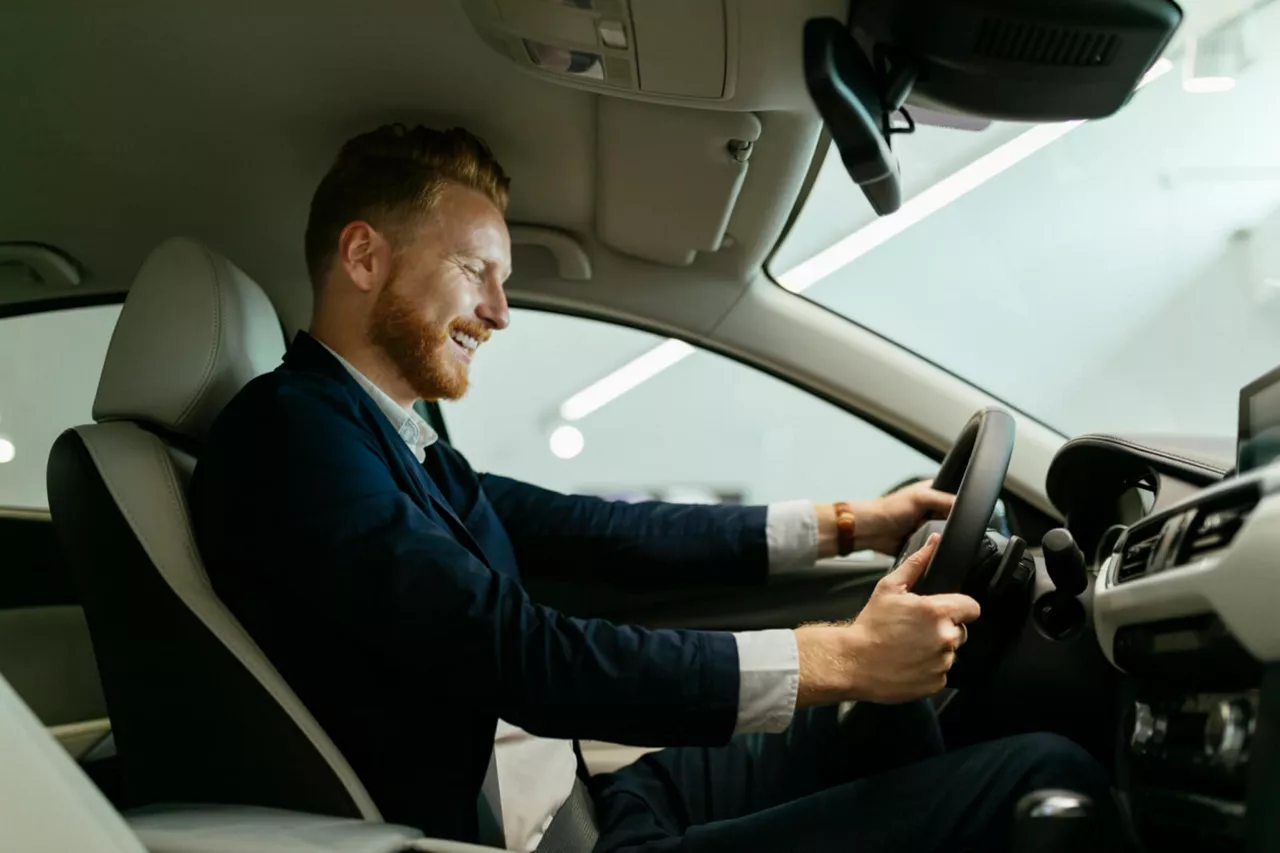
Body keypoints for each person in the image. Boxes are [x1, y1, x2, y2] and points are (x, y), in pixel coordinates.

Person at [190, 124, 1111, 853]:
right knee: (1038, 773)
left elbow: (596, 533)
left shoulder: (391, 438)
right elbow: (513, 652)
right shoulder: (291, 438)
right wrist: (838, 659)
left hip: (596, 792)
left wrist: (849, 525)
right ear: (363, 257)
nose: (501, 312)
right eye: (478, 272)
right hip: (548, 840)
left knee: (888, 726)